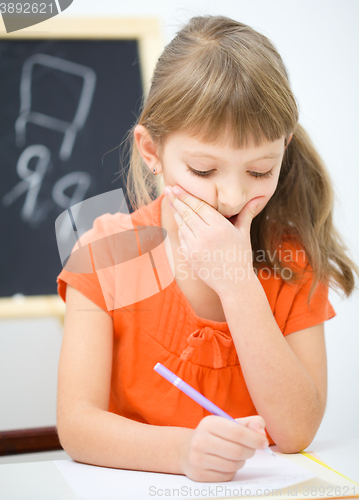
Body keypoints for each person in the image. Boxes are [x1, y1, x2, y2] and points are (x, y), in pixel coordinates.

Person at [56, 15, 359, 483]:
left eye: (259, 171)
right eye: (203, 170)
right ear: (152, 151)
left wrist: (238, 284)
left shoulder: (287, 258)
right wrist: (182, 451)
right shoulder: (107, 252)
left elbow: (296, 431)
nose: (233, 197)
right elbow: (77, 426)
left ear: (285, 148)